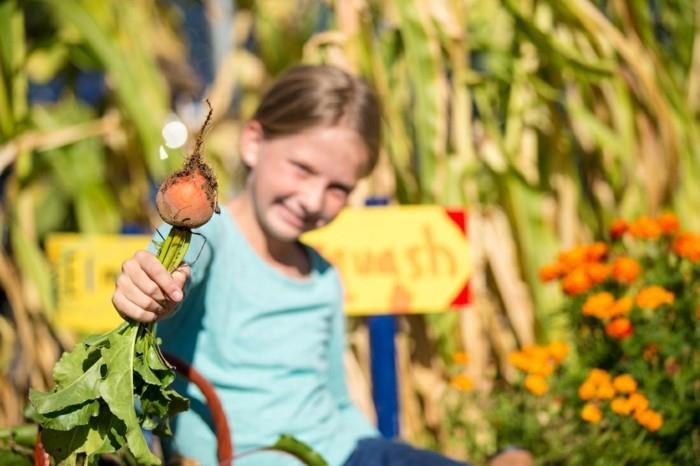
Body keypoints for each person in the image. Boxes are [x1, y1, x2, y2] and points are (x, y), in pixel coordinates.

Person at [112, 64, 530, 466]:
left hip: (345, 453)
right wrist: (146, 290)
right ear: (253, 143)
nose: (313, 200)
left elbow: (338, 403)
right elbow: (165, 276)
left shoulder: (323, 277)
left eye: (338, 188)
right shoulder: (211, 237)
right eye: (302, 169)